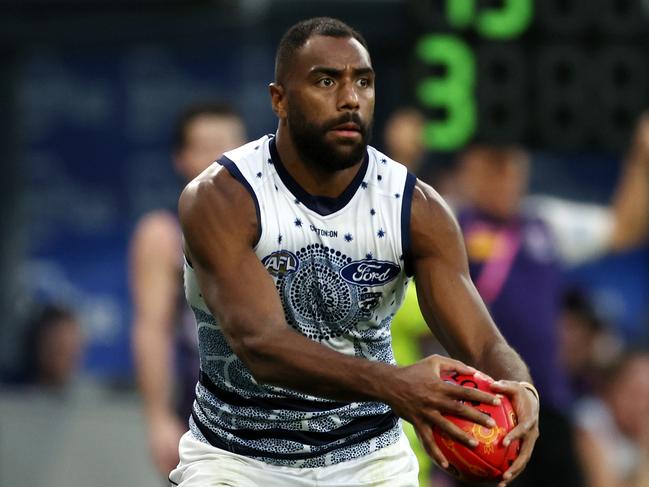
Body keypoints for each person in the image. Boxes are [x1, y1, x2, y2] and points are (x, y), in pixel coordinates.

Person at [169, 17, 539, 487]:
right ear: (278, 99)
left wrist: (519, 384)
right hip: (235, 457)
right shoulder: (223, 198)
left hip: (369, 459)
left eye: (362, 81)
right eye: (326, 81)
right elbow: (261, 347)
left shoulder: (416, 208)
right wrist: (395, 385)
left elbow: (484, 343)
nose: (350, 99)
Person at [446, 121, 649, 486]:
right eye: (496, 163)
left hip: (547, 408)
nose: (508, 174)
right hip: (483, 413)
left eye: (515, 163)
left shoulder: (543, 224)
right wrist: (406, 156)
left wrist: (641, 160)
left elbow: (623, 230)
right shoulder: (446, 225)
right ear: (471, 167)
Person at [130, 101, 246, 477]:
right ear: (182, 158)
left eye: (232, 145)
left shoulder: (278, 230)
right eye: (208, 146)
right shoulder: (162, 236)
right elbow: (152, 329)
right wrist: (158, 419)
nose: (222, 158)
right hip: (201, 421)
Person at [574, 351, 649, 487]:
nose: (642, 405)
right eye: (635, 392)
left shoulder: (635, 432)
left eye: (647, 396)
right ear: (612, 388)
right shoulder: (592, 418)